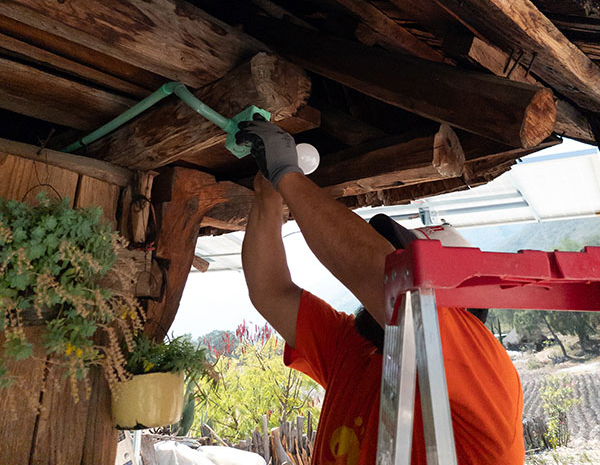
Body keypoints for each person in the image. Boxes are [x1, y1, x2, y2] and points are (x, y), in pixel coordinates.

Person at [238, 121, 524, 464]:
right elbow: (270, 290)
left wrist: (287, 175)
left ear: (457, 304)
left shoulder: (484, 369)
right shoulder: (358, 350)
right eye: (392, 254)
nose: (387, 269)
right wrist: (268, 194)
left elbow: (383, 278)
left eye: (406, 264)